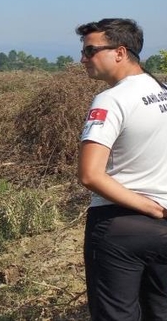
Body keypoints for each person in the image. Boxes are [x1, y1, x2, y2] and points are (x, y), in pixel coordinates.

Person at [76, 18, 167, 320]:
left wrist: (149, 207)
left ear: (120, 52)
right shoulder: (162, 90)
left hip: (119, 227)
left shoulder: (111, 100)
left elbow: (90, 174)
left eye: (90, 51)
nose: (83, 59)